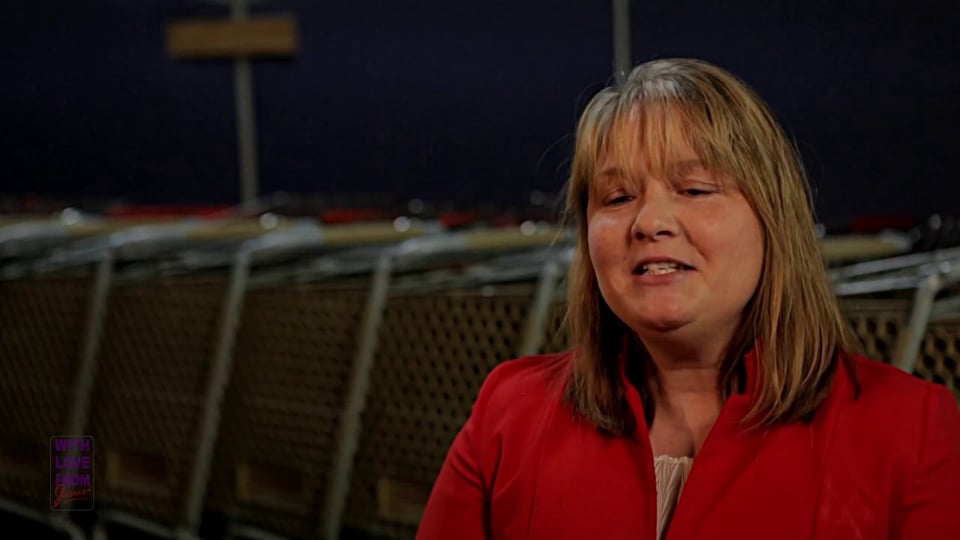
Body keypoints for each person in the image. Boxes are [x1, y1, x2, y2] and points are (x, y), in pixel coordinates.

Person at [415, 58, 960, 539]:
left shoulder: (911, 431)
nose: (649, 222)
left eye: (695, 189)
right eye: (617, 197)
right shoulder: (510, 412)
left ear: (774, 219)